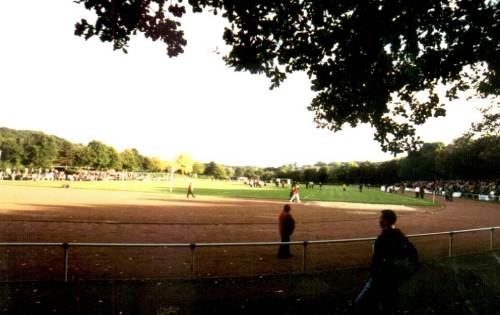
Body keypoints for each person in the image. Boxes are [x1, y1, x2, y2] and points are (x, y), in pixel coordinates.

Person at [355, 209, 413, 314]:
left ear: (386, 221)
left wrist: (376, 274)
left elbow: (379, 260)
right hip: (393, 278)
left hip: (380, 279)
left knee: (361, 303)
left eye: (380, 218)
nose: (378, 220)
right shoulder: (400, 236)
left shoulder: (383, 238)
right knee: (388, 306)